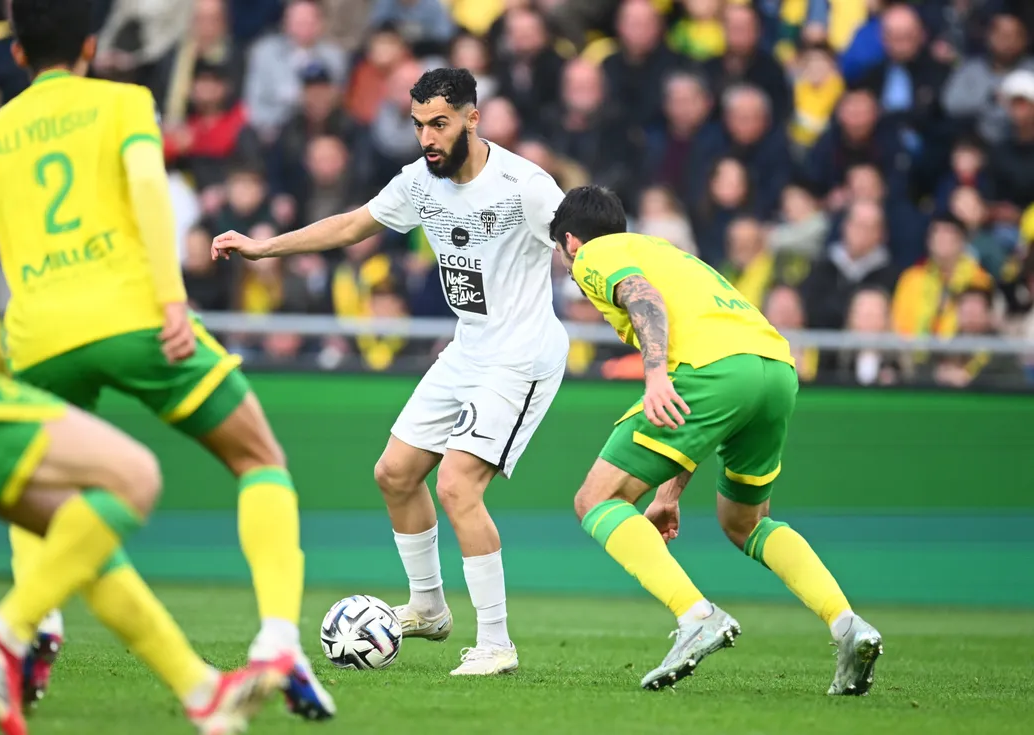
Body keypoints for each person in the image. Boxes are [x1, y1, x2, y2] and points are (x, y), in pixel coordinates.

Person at [0, 0, 334, 720]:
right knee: (259, 457)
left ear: (14, 54)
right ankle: (278, 641)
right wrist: (171, 298)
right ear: (92, 45)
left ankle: (37, 623)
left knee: (48, 493)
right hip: (132, 316)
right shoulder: (124, 102)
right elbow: (148, 193)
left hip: (34, 337)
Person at [212, 67, 569, 676]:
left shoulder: (525, 186)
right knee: (395, 473)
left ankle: (496, 643)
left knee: (457, 487)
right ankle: (429, 608)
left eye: (440, 124)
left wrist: (647, 338)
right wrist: (263, 247)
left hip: (523, 356)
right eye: (418, 125)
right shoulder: (418, 183)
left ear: (472, 119)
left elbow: (589, 246)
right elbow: (351, 225)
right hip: (468, 349)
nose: (427, 137)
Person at [548, 185, 883, 695]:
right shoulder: (667, 252)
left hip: (711, 372)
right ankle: (848, 625)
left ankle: (696, 616)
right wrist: (670, 493)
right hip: (773, 368)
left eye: (560, 252)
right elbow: (707, 409)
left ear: (570, 241)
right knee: (745, 520)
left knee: (596, 498)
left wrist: (655, 373)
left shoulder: (596, 253)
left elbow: (643, 298)